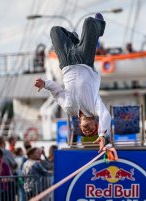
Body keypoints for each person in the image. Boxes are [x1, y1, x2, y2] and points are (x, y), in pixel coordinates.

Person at [34, 13, 110, 152]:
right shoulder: (94, 107)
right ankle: (100, 27)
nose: (88, 131)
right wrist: (102, 135)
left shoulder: (69, 109)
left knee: (55, 31)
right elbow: (106, 115)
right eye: (92, 130)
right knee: (89, 22)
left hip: (66, 63)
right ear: (95, 122)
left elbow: (57, 92)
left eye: (85, 132)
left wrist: (45, 84)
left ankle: (73, 39)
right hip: (85, 61)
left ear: (80, 125)